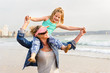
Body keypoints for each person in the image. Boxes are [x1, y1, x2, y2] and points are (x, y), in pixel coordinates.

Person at [16, 18, 86, 73]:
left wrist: (80, 35)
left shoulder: (53, 44)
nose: (46, 32)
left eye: (46, 30)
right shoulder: (34, 45)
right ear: (38, 35)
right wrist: (25, 24)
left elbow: (69, 45)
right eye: (43, 32)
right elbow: (20, 39)